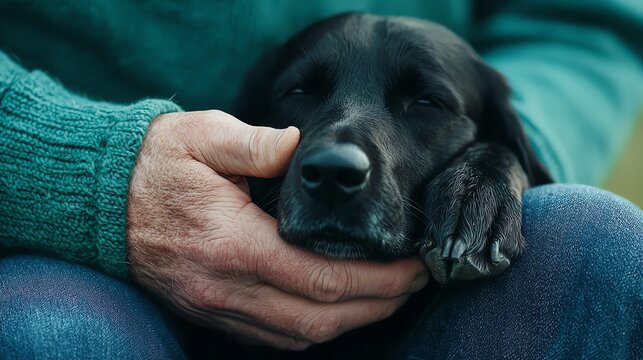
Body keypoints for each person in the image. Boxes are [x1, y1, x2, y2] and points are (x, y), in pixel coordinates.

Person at [0, 0, 641, 359]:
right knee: (49, 329)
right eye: (300, 93)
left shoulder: (494, 129)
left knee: (604, 249)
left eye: (426, 104)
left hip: (432, 291)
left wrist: (499, 163)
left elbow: (580, 26)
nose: (341, 155)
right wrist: (90, 171)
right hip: (81, 251)